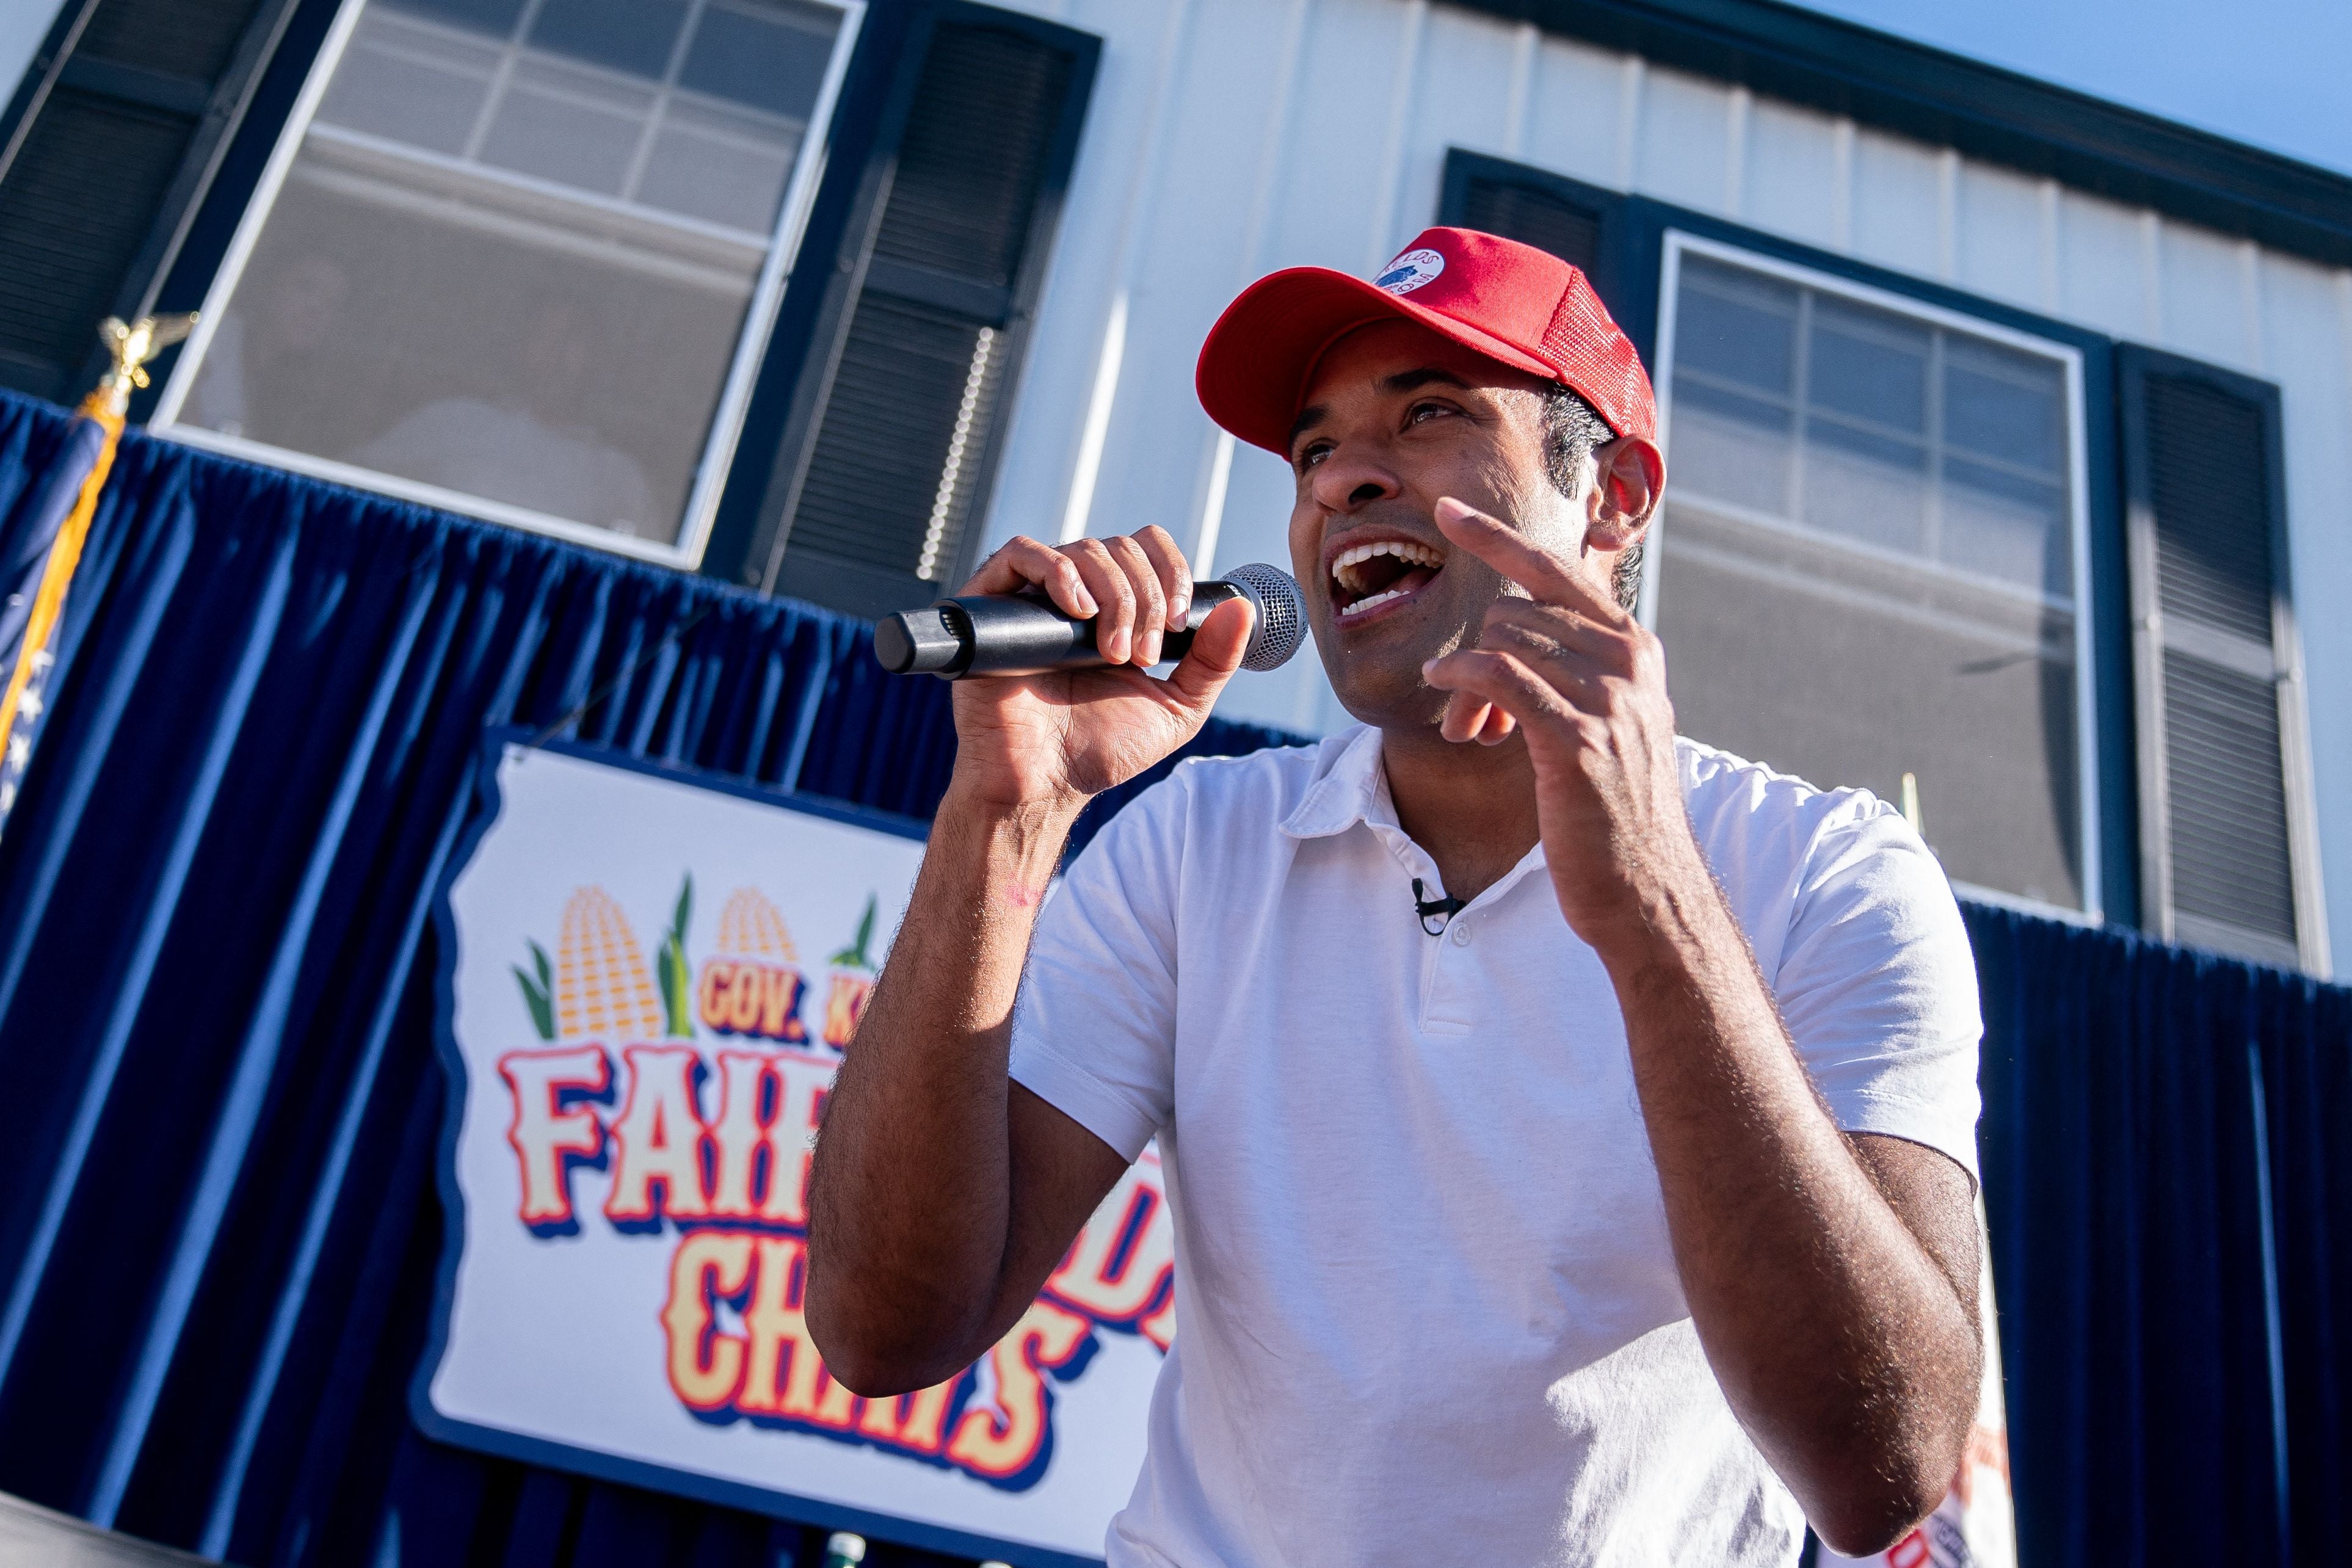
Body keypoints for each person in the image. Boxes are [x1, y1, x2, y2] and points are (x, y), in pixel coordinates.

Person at [806, 228, 1984, 1566]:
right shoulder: (1195, 849)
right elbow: (881, 1332)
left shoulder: (1829, 873)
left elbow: (1887, 1468)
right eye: (1313, 451)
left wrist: (1651, 901)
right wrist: (1007, 815)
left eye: (1427, 415)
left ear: (1611, 499)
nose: (1343, 481)